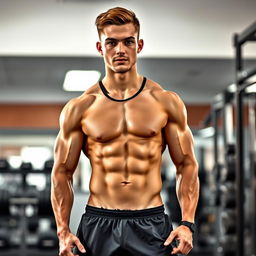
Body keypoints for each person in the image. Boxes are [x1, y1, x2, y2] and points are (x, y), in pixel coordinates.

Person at [51, 6, 199, 256]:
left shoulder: (165, 102)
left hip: (150, 223)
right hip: (99, 222)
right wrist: (62, 231)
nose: (120, 50)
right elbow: (62, 172)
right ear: (100, 47)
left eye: (128, 42)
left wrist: (187, 223)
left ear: (139, 45)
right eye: (111, 43)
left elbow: (186, 164)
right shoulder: (81, 107)